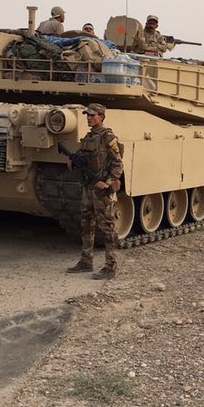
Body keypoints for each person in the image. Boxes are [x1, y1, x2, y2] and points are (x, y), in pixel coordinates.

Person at [66, 103, 124, 280]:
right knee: (86, 224)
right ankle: (86, 261)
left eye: (92, 115)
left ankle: (110, 266)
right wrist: (73, 162)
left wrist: (107, 182)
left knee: (107, 227)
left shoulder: (108, 138)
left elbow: (118, 164)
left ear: (101, 117)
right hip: (88, 187)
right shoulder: (88, 137)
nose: (89, 118)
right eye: (87, 115)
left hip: (101, 190)